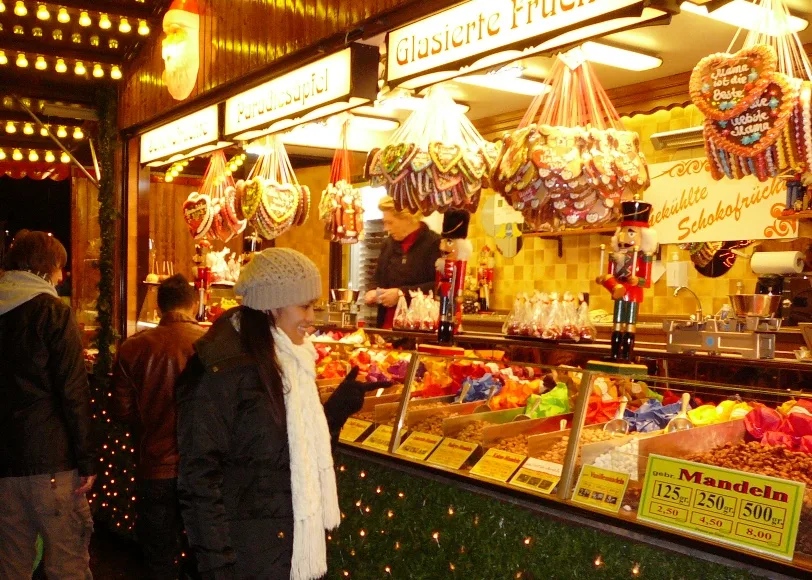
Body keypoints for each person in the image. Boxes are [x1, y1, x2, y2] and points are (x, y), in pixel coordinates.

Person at [176, 248, 390, 580]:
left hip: (285, 549)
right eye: (305, 305)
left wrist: (334, 411)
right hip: (244, 556)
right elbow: (199, 478)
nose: (312, 317)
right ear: (272, 306)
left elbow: (288, 451)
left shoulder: (293, 363)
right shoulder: (221, 369)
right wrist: (218, 565)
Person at [0, 230, 95, 579]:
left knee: (11, 561)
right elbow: (72, 390)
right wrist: (86, 459)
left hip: (4, 465)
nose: (61, 277)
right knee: (67, 561)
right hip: (52, 462)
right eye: (60, 269)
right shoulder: (53, 312)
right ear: (49, 268)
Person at [112, 274, 205, 580]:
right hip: (201, 468)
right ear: (195, 303)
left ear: (159, 305)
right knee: (202, 555)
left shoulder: (132, 348)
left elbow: (122, 411)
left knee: (158, 558)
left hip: (154, 466)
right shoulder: (211, 343)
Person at [364, 196, 441, 328]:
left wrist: (402, 293)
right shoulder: (387, 245)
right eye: (384, 223)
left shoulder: (435, 244)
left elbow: (438, 287)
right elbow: (377, 279)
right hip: (387, 326)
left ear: (407, 218)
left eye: (390, 222)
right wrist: (372, 292)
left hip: (420, 327)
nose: (385, 228)